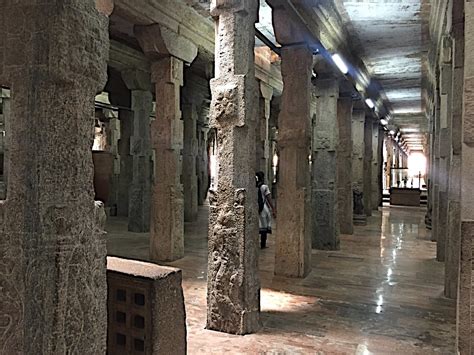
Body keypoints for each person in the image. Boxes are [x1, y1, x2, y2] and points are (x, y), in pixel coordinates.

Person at [256, 171, 276, 249]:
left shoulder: (254, 186)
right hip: (263, 209)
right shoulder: (264, 187)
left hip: (256, 207)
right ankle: (263, 244)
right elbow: (269, 199)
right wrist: (273, 209)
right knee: (263, 227)